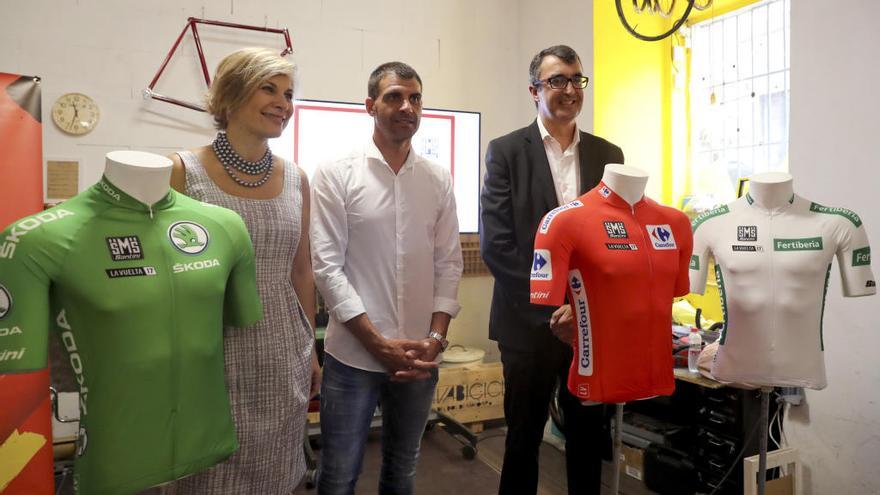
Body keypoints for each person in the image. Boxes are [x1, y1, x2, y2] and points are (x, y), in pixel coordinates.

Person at [0, 151, 263, 494]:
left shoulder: (225, 226)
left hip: (212, 441)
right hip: (115, 459)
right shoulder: (32, 239)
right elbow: (24, 360)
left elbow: (240, 318)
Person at [164, 47, 320, 494]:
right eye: (268, 88)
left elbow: (301, 271)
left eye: (288, 94)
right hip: (207, 346)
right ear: (231, 95)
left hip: (280, 346)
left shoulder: (296, 179)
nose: (283, 103)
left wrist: (309, 347)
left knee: (275, 466)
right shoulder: (181, 172)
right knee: (206, 469)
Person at [310, 61, 463, 495]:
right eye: (394, 96)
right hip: (353, 358)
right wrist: (377, 343)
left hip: (419, 357)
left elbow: (449, 263)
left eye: (414, 98)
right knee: (338, 476)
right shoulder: (337, 171)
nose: (406, 106)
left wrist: (435, 340)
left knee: (403, 470)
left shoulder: (437, 178)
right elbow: (325, 265)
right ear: (370, 105)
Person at [479, 44, 624, 495]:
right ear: (534, 90)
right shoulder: (505, 152)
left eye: (576, 79)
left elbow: (618, 241)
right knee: (523, 438)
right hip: (526, 323)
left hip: (589, 327)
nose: (568, 89)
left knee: (587, 438)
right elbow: (498, 246)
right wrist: (556, 306)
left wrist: (582, 309)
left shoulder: (609, 154)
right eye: (557, 80)